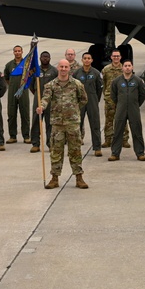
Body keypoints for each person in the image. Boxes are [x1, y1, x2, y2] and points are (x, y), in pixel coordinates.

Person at [37, 59, 89, 189]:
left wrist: (74, 110)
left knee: (75, 151)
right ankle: (54, 178)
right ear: (58, 68)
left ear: (69, 69)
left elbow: (83, 99)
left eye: (66, 67)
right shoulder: (51, 85)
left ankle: (79, 177)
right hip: (57, 124)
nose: (64, 69)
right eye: (62, 67)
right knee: (56, 151)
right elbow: (45, 99)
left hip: (73, 123)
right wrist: (41, 107)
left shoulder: (77, 84)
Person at [108, 60, 145, 160]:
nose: (127, 67)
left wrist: (136, 104)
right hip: (121, 109)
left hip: (134, 109)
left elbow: (143, 94)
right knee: (117, 131)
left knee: (137, 131)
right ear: (122, 68)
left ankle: (140, 153)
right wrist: (120, 104)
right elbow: (113, 95)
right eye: (125, 66)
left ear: (132, 67)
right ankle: (115, 153)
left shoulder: (138, 81)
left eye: (129, 66)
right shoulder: (117, 81)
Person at [75, 52, 104, 156]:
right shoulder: (77, 73)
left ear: (92, 60)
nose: (87, 60)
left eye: (89, 58)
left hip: (92, 100)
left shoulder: (96, 73)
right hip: (80, 102)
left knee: (95, 124)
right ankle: (75, 148)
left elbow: (99, 89)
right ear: (82, 60)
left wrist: (95, 100)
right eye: (85, 58)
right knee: (77, 125)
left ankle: (97, 148)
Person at [31, 52, 58, 152]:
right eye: (43, 57)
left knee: (50, 123)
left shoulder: (54, 71)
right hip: (38, 99)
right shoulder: (35, 71)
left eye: (47, 57)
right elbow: (31, 86)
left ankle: (50, 144)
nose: (45, 58)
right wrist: (37, 94)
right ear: (40, 58)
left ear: (50, 58)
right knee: (36, 121)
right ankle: (35, 144)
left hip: (51, 100)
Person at [101, 49, 127, 149]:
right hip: (109, 98)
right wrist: (107, 95)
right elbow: (103, 83)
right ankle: (108, 139)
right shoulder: (106, 69)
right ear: (111, 57)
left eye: (118, 56)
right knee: (109, 120)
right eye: (114, 56)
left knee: (123, 119)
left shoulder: (124, 69)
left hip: (122, 98)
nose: (116, 58)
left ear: (120, 57)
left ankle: (124, 139)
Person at [3, 45, 29, 144]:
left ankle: (26, 136)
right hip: (12, 93)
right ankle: (12, 136)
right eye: (16, 51)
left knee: (25, 114)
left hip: (24, 92)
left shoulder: (26, 64)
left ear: (22, 52)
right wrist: (13, 85)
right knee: (12, 114)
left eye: (19, 51)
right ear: (13, 52)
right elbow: (6, 77)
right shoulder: (9, 65)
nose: (17, 52)